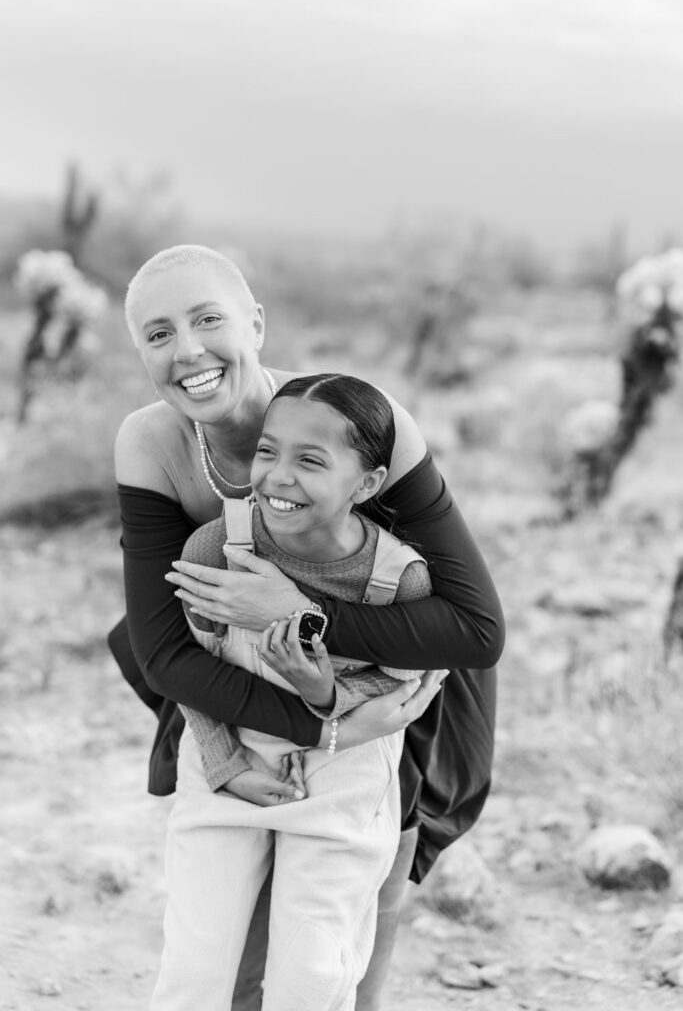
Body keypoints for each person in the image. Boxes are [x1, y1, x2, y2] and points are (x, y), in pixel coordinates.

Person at [108, 244, 504, 1010]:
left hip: (400, 657)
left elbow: (473, 627)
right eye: (158, 335)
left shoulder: (360, 421)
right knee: (232, 906)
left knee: (352, 897)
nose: (187, 350)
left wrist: (302, 621)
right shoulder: (152, 442)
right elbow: (161, 643)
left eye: (207, 319)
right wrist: (299, 731)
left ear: (255, 322)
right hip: (233, 661)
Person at [154, 373, 435, 1009]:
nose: (279, 476)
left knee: (312, 975)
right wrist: (225, 764)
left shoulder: (398, 580)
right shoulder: (217, 546)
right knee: (194, 974)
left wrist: (324, 689)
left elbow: (402, 686)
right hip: (226, 758)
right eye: (267, 452)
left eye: (311, 460)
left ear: (366, 483)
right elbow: (192, 670)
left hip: (346, 769)